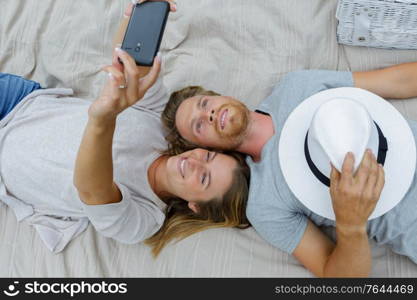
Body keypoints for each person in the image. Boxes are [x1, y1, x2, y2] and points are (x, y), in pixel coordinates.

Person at [0, 0, 250, 256]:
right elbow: (132, 66)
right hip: (19, 103)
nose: (196, 162)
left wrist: (103, 119)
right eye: (208, 156)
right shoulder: (160, 125)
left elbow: (92, 191)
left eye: (204, 177)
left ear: (195, 206)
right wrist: (136, 19)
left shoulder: (145, 219)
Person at [162, 62, 417, 276]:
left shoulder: (295, 86)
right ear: (210, 149)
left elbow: (395, 81)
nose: (209, 113)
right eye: (198, 126)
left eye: (205, 103)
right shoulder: (264, 205)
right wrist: (351, 225)